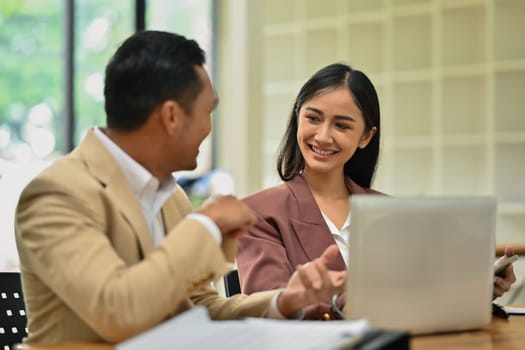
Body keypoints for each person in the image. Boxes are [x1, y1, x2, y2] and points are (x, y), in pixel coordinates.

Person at [14, 31, 345, 345]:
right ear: (171, 116)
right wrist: (206, 225)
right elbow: (115, 310)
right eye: (208, 111)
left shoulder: (170, 196)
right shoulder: (57, 195)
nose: (208, 127)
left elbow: (200, 311)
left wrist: (284, 302)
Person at [236, 63, 517, 320]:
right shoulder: (258, 213)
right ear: (298, 117)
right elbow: (270, 305)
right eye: (313, 118)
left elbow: (423, 291)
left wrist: (473, 289)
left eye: (342, 125)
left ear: (366, 137)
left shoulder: (390, 212)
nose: (322, 136)